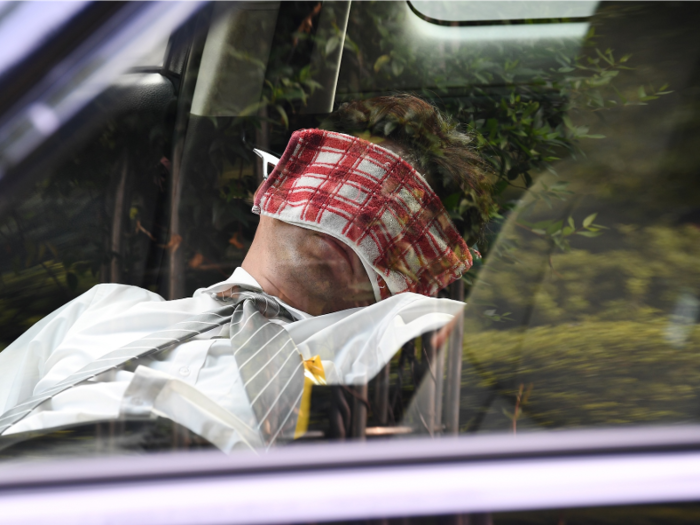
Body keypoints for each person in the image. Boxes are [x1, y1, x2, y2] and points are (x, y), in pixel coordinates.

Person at [0, 95, 494, 452]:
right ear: (282, 177)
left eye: (401, 226)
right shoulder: (105, 308)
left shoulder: (383, 340)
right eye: (353, 182)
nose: (360, 225)